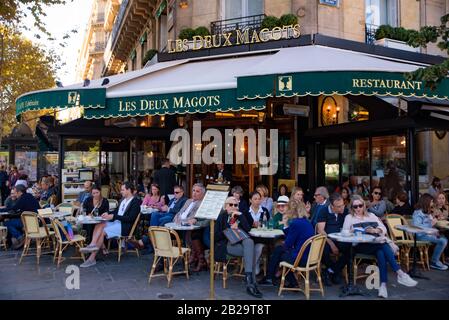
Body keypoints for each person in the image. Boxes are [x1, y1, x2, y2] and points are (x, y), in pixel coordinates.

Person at [344, 195, 417, 298]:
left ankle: (383, 286)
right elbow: (345, 232)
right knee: (382, 245)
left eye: (360, 206)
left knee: (381, 252)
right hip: (360, 245)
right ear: (352, 208)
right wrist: (353, 231)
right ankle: (400, 273)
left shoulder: (371, 215)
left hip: (375, 243)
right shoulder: (349, 217)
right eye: (355, 207)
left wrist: (376, 230)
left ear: (364, 206)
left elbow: (383, 227)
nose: (358, 208)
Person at [80, 182, 142, 267]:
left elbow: (131, 219)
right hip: (117, 223)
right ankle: (92, 244)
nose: (121, 191)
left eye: (123, 190)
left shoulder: (135, 202)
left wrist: (114, 216)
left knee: (102, 231)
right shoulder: (123, 200)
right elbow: (116, 211)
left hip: (125, 227)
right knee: (100, 224)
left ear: (128, 190)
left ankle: (92, 258)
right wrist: (108, 213)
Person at [215, 196, 262, 298]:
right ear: (225, 206)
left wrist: (240, 216)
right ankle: (251, 282)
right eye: (230, 205)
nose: (233, 207)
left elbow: (248, 229)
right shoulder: (221, 217)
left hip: (241, 244)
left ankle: (249, 281)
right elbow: (216, 236)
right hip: (227, 245)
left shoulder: (240, 215)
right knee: (251, 251)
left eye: (235, 205)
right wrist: (229, 229)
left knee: (249, 241)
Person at [258, 201, 314, 287]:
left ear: (293, 211)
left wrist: (283, 242)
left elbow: (288, 244)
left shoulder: (296, 223)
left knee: (278, 252)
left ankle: (270, 277)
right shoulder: (306, 222)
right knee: (279, 251)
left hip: (300, 258)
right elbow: (289, 233)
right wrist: (285, 228)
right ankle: (289, 282)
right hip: (310, 257)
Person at [316, 193, 349, 286]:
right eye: (338, 207)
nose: (342, 208)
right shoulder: (324, 211)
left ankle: (331, 270)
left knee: (350, 250)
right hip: (326, 239)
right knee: (323, 250)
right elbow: (320, 230)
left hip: (341, 239)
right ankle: (334, 271)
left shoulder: (345, 211)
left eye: (343, 205)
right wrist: (331, 244)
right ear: (332, 206)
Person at [173, 183, 206, 272]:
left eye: (197, 191)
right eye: (193, 190)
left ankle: (196, 257)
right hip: (180, 224)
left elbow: (194, 218)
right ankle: (193, 256)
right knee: (164, 225)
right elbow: (179, 212)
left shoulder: (202, 204)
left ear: (202, 194)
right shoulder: (188, 201)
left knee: (192, 234)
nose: (194, 193)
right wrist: (176, 219)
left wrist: (182, 221)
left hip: (191, 226)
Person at [413, 193, 448, 271]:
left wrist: (434, 230)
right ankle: (434, 261)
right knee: (443, 240)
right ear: (426, 202)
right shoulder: (418, 213)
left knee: (443, 238)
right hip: (420, 235)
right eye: (431, 201)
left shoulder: (427, 212)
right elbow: (417, 227)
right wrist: (431, 224)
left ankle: (438, 260)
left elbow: (430, 225)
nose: (432, 203)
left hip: (427, 234)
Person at [0, 184, 40, 249]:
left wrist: (1, 210)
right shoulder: (30, 196)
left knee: (7, 223)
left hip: (28, 223)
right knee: (12, 221)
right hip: (36, 221)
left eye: (15, 192)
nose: (15, 194)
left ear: (19, 192)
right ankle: (10, 242)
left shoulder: (22, 198)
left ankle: (20, 237)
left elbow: (13, 208)